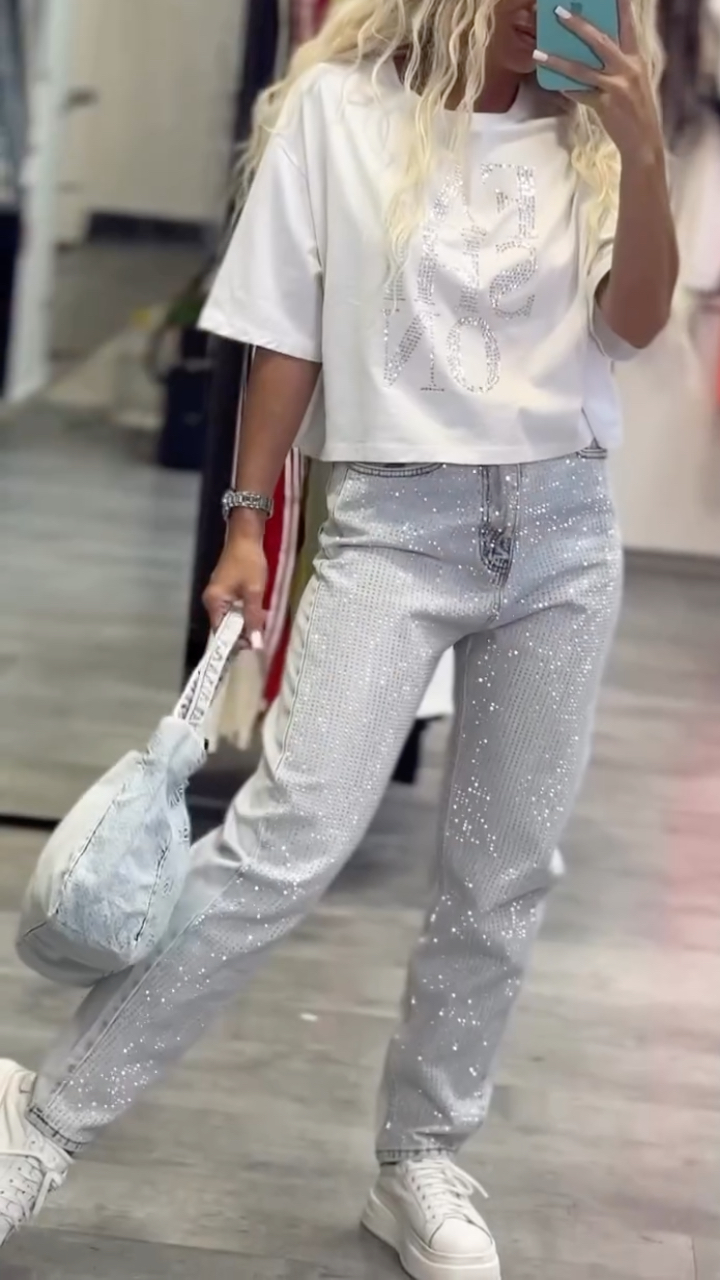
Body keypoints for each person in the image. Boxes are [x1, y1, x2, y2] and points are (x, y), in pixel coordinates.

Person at [0, 0, 677, 1276]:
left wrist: (641, 147)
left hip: (565, 530)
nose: (543, 17)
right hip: (391, 525)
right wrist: (247, 522)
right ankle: (42, 1121)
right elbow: (285, 336)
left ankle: (420, 1156)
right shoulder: (340, 109)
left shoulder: (592, 131)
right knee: (286, 838)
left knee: (505, 870)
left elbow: (632, 324)